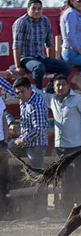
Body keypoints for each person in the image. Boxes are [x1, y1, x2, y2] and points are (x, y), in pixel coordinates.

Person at [48, 74, 81, 215]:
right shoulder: (52, 100)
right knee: (65, 180)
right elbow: (38, 92)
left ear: (68, 86)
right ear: (54, 87)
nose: (60, 87)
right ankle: (67, 212)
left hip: (76, 146)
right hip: (60, 147)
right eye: (57, 85)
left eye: (63, 84)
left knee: (77, 179)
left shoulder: (77, 99)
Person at [6, 77, 49, 221]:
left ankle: (42, 212)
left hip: (36, 145)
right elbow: (7, 87)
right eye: (17, 93)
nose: (19, 95)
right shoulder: (26, 98)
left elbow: (39, 129)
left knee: (38, 176)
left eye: (21, 92)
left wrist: (21, 139)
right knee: (7, 152)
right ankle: (27, 208)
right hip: (27, 143)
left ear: (30, 89)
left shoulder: (35, 104)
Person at [12, 0, 72, 92]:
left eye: (39, 8)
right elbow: (16, 45)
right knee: (39, 68)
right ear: (28, 10)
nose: (36, 11)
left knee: (66, 67)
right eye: (33, 8)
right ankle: (38, 91)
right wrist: (18, 66)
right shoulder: (22, 22)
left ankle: (50, 89)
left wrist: (50, 61)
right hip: (27, 58)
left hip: (41, 57)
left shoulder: (45, 21)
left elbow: (49, 44)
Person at [0, 77, 16, 221]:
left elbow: (4, 120)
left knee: (4, 178)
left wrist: (5, 139)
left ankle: (5, 212)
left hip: (1, 143)